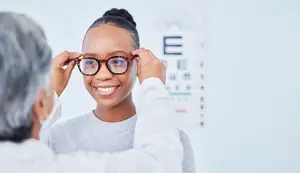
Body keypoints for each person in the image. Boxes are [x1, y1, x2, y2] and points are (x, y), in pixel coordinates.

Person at [0, 12, 183, 173]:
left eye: (117, 60)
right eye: (90, 61)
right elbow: (162, 165)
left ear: (138, 64)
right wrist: (153, 85)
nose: (103, 75)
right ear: (41, 103)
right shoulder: (57, 138)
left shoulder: (179, 138)